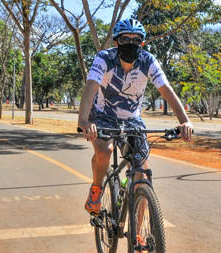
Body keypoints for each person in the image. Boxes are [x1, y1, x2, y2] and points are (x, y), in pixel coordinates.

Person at [77, 19, 193, 225]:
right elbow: (91, 86)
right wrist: (84, 121)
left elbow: (165, 90)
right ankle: (96, 190)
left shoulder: (148, 61)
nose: (131, 42)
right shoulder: (104, 58)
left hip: (132, 120)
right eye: (125, 39)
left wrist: (185, 121)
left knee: (142, 177)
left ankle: (139, 237)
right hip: (103, 115)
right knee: (105, 151)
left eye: (136, 39)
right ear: (116, 42)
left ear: (142, 43)